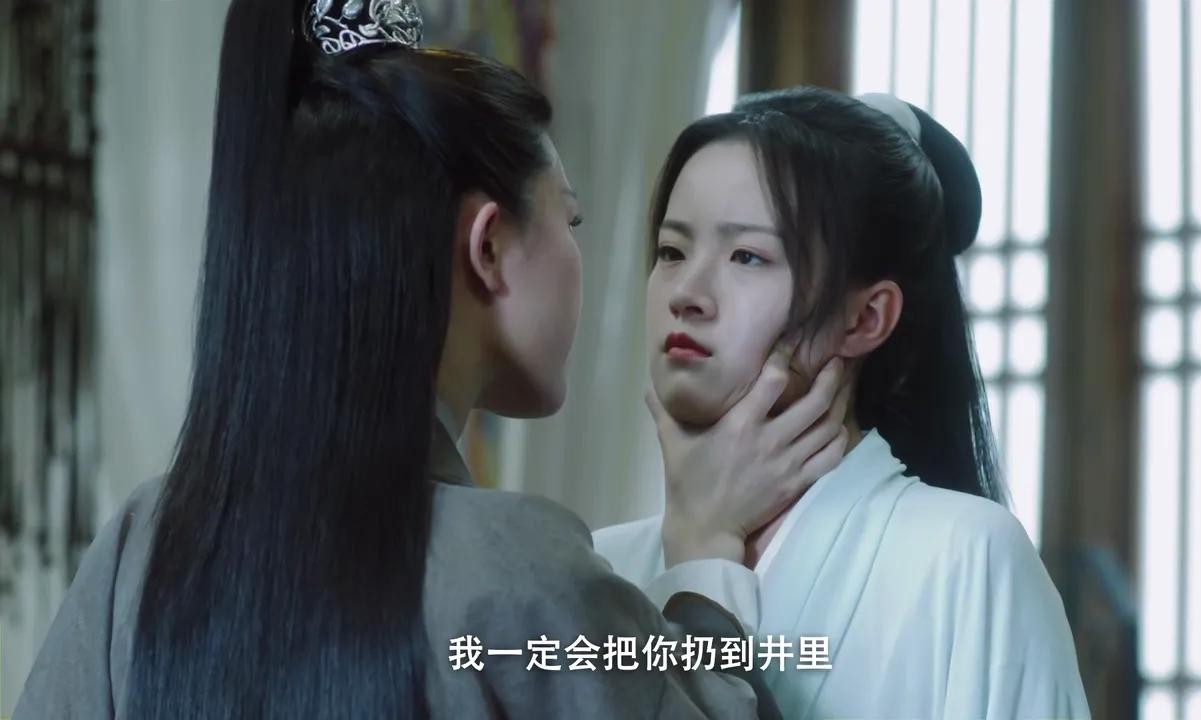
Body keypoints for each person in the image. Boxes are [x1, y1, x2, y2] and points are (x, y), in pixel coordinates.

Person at [13, 1, 850, 717]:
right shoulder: (517, 568)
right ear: (488, 247)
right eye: (572, 219)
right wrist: (702, 555)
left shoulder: (137, 555)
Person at [594, 87, 1091, 719]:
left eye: (747, 256)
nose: (686, 292)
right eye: (672, 251)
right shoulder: (595, 564)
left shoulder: (968, 558)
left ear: (865, 318)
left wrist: (701, 558)